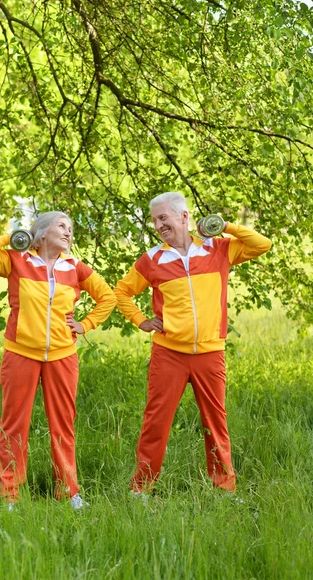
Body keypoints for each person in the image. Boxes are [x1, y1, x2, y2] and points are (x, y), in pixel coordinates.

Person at [114, 192, 271, 494]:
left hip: (210, 354)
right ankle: (141, 490)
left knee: (216, 424)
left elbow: (262, 245)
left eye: (164, 218)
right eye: (155, 220)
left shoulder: (218, 249)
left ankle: (224, 489)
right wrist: (140, 320)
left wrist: (225, 226)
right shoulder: (152, 259)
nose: (159, 225)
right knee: (156, 423)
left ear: (184, 217)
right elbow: (121, 292)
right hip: (169, 354)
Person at [0, 211, 116, 509]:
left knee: (63, 425)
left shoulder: (75, 267)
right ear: (42, 233)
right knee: (14, 425)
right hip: (20, 353)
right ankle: (10, 493)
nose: (68, 232)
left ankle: (69, 491)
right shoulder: (16, 260)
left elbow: (108, 298)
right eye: (62, 226)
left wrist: (84, 325)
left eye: (71, 228)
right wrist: (13, 238)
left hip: (63, 356)